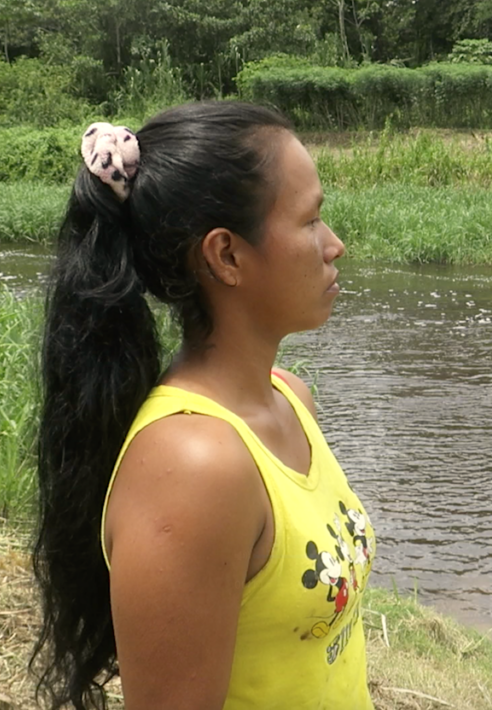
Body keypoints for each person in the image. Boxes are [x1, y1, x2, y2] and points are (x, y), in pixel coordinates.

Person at [31, 102, 376, 710]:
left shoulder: (291, 399)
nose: (335, 245)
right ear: (226, 256)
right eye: (311, 221)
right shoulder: (194, 467)